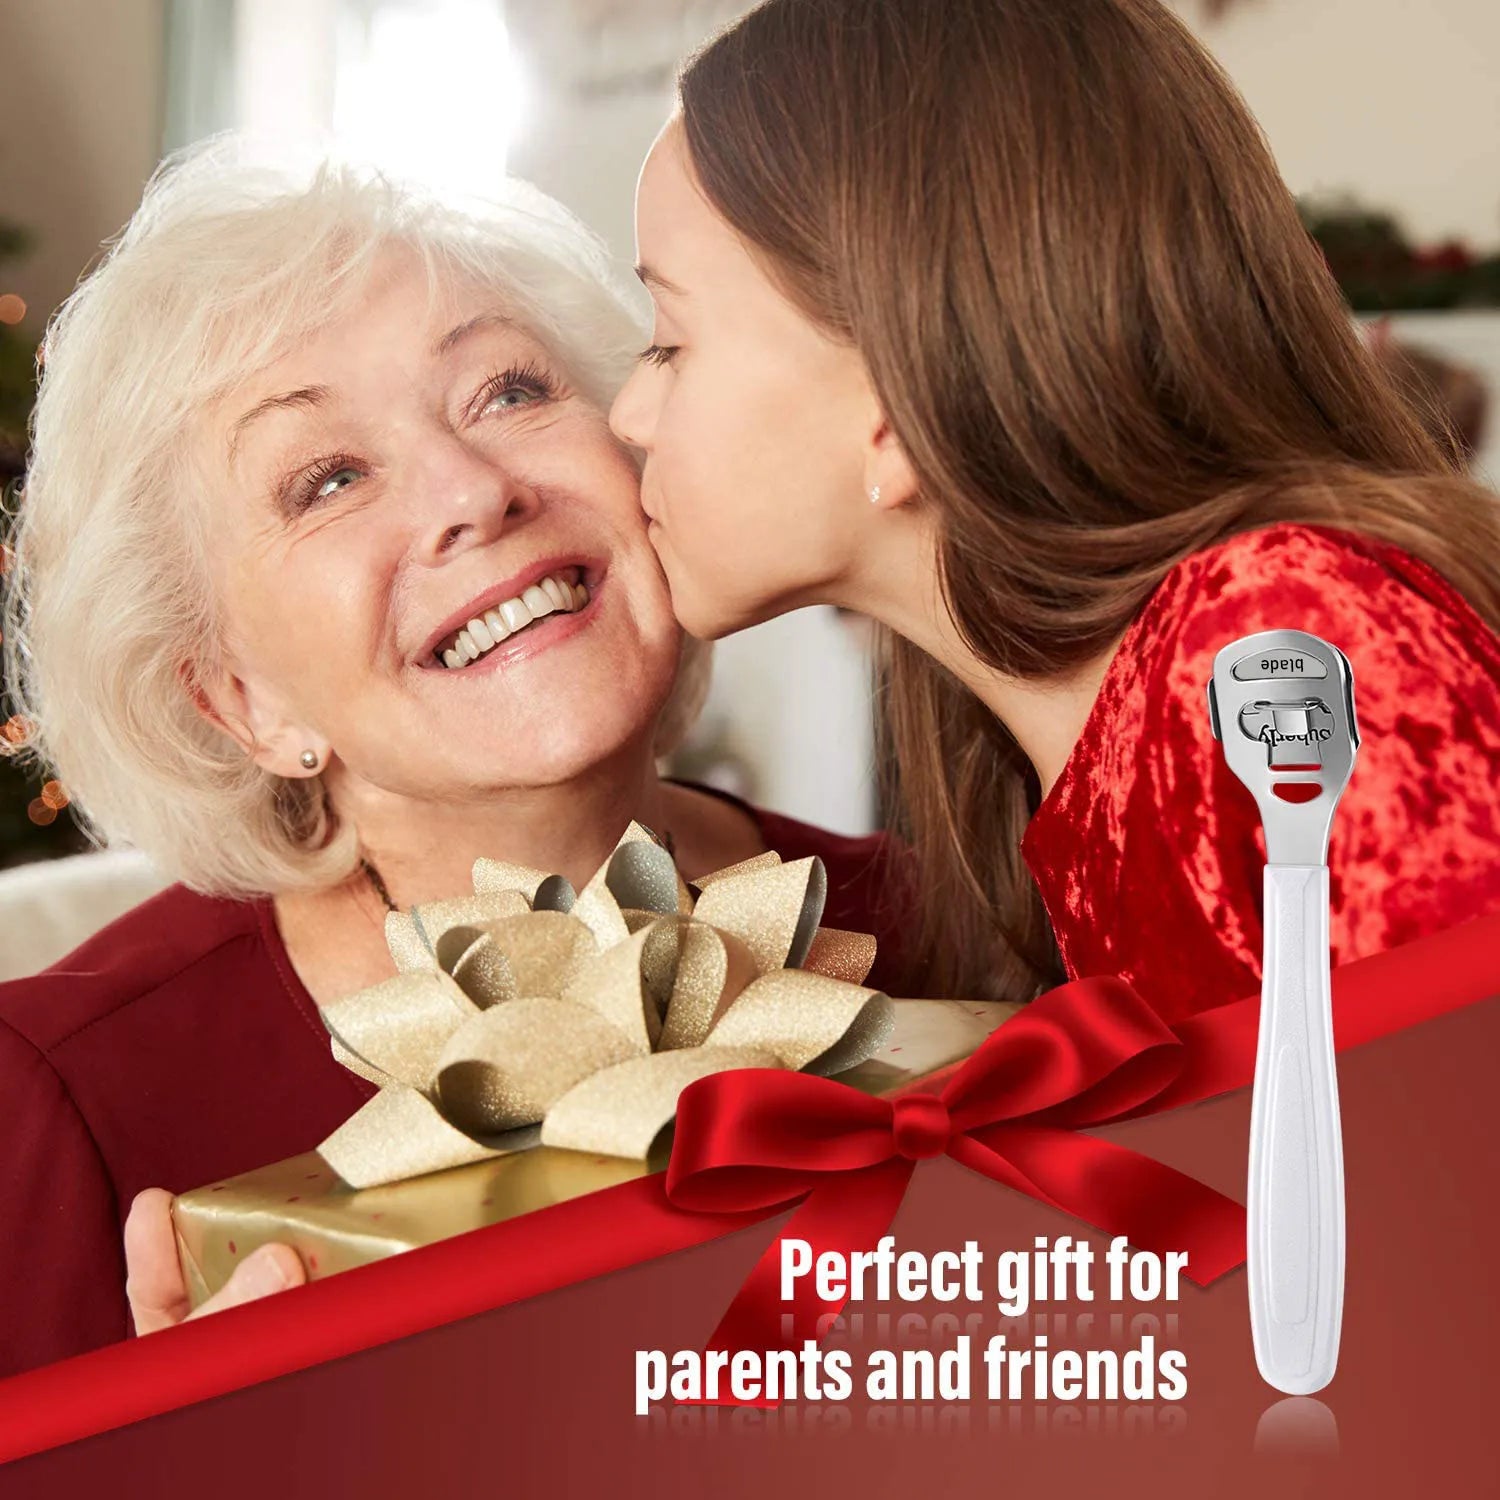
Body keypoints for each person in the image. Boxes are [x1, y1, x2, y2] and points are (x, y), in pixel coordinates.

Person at [0, 142, 909, 1378]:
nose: (472, 493)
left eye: (509, 392)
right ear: (238, 700)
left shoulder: (946, 917)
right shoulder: (63, 1107)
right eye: (327, 479)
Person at [608, 0, 1500, 1021]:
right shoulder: (1047, 759)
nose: (630, 414)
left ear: (894, 407)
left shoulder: (1273, 644)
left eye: (671, 342)